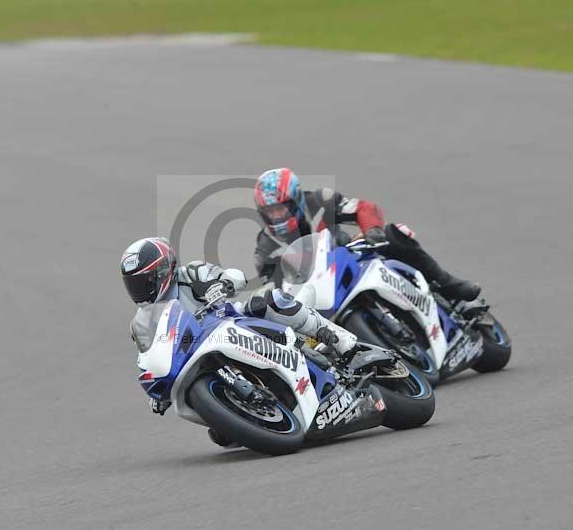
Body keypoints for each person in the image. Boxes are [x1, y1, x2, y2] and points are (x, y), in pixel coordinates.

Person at [120, 237, 358, 425]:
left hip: (228, 319)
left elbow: (234, 276)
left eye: (145, 281)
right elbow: (153, 353)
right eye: (134, 284)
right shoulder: (145, 321)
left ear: (163, 272)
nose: (140, 289)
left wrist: (222, 283)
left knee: (271, 301)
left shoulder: (191, 274)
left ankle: (337, 338)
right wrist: (157, 392)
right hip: (194, 353)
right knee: (223, 438)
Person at [253, 168, 481, 301]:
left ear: (296, 199)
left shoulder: (320, 201)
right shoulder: (266, 245)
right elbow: (274, 288)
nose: (276, 216)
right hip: (318, 294)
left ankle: (446, 283)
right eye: (269, 212)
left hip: (351, 260)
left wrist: (372, 230)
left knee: (396, 233)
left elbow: (364, 208)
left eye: (280, 208)